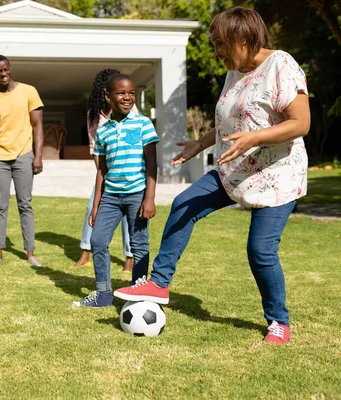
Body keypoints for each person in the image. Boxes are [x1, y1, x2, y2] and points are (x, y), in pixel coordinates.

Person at [114, 7, 311, 345]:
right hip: (233, 169)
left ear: (245, 39)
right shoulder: (236, 70)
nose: (217, 52)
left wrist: (255, 138)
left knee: (260, 251)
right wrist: (201, 142)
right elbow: (232, 122)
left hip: (276, 175)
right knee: (184, 204)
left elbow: (301, 124)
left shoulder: (282, 65)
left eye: (221, 44)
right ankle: (159, 283)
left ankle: (279, 321)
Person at [73, 73, 159, 307]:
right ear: (108, 96)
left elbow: (152, 163)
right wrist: (97, 204)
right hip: (110, 196)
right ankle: (103, 295)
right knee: (98, 241)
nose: (127, 97)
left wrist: (149, 198)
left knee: (139, 245)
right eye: (121, 93)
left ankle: (139, 294)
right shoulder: (103, 131)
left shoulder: (143, 124)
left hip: (137, 194)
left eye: (131, 93)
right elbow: (101, 171)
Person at [0, 55, 44, 267]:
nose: (2, 73)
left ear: (10, 69)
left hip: (24, 154)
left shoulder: (28, 91)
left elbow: (38, 126)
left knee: (25, 204)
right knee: (0, 205)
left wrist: (38, 155)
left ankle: (30, 252)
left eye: (5, 69)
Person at [75, 68, 134, 272]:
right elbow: (94, 148)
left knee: (129, 215)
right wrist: (104, 175)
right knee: (92, 208)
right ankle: (85, 252)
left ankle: (129, 258)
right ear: (104, 91)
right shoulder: (94, 115)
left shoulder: (130, 111)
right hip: (105, 173)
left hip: (128, 173)